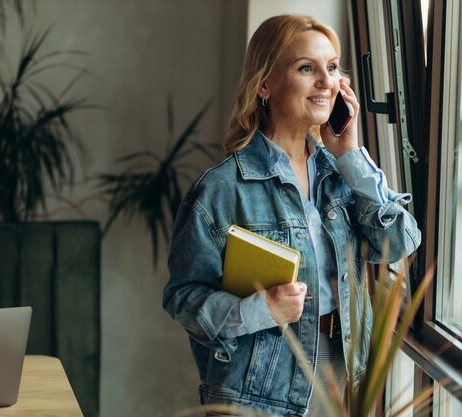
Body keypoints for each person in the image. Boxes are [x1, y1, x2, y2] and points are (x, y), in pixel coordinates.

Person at [162, 14, 421, 417]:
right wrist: (260, 309)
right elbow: (183, 298)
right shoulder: (221, 188)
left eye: (332, 68)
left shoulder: (341, 176)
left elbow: (401, 242)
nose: (325, 82)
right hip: (259, 388)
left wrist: (350, 154)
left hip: (344, 376)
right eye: (307, 68)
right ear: (264, 84)